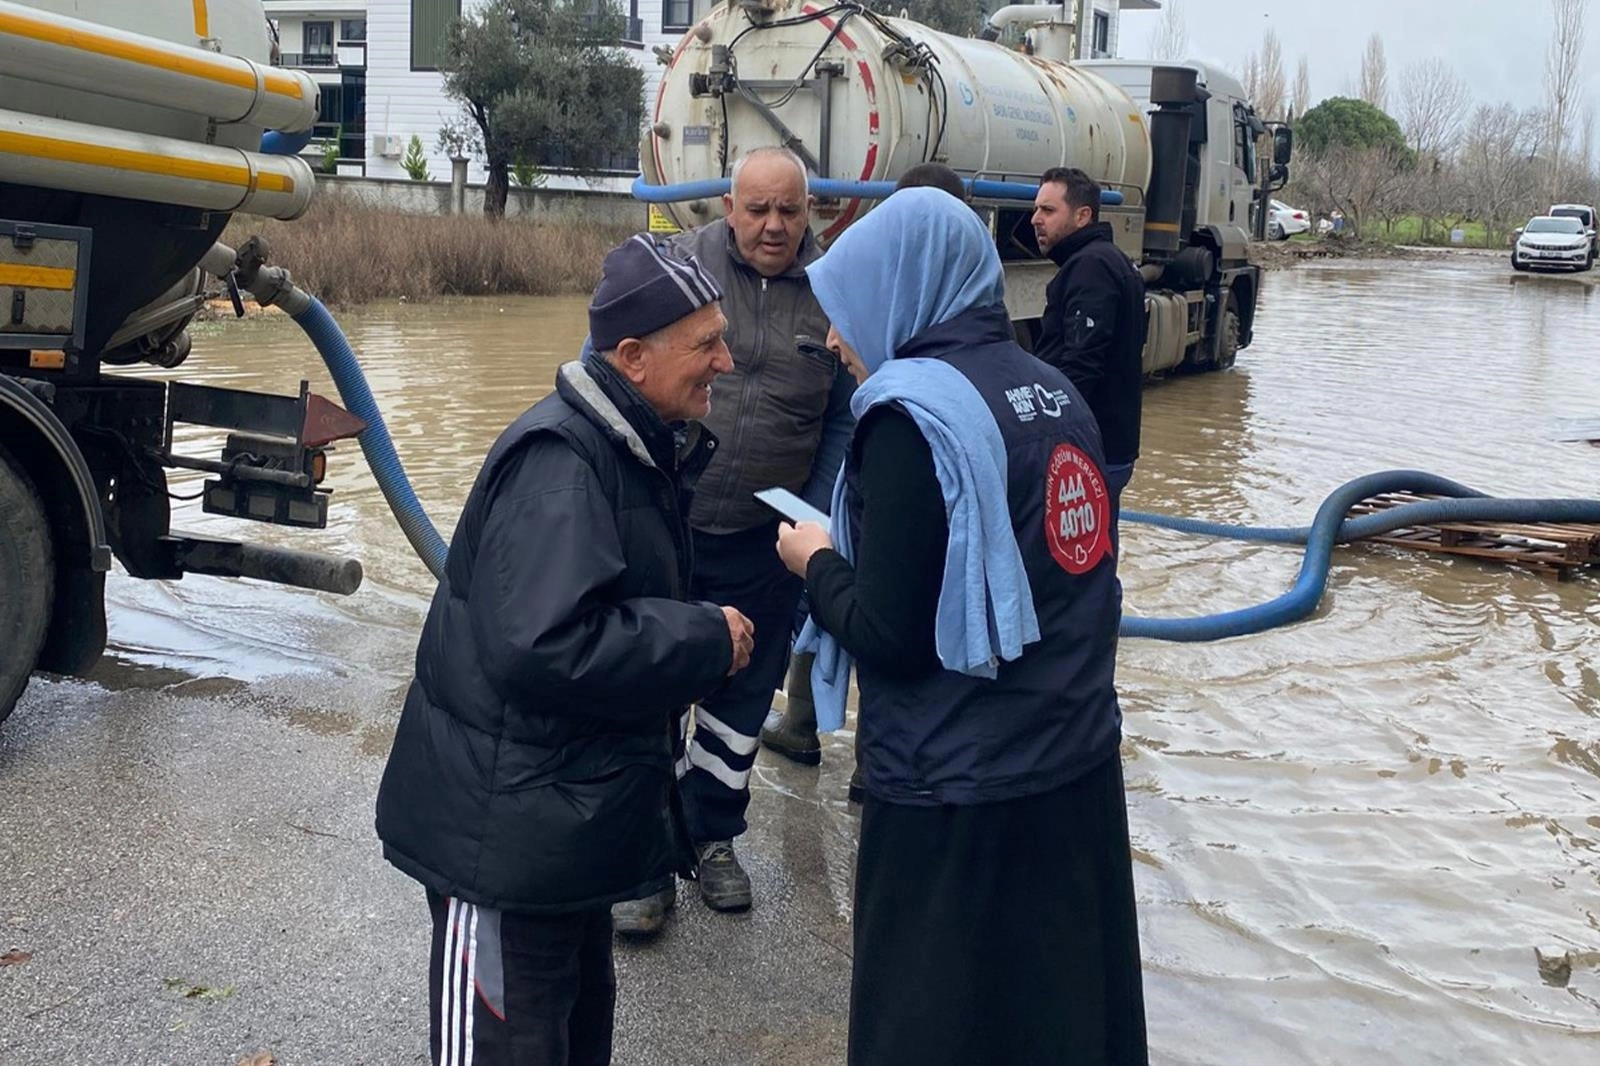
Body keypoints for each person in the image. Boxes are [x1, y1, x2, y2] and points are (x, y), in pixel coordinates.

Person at [775, 189, 1148, 1066]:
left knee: (939, 1023)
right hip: (1073, 769)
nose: (835, 338)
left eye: (848, 307)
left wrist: (816, 561)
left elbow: (891, 634)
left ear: (903, 292)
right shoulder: (1054, 392)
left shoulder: (911, 420)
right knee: (1052, 1017)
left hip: (954, 789)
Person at [374, 235, 754, 1066]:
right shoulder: (559, 463)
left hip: (562, 831)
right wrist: (703, 639)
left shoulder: (632, 445)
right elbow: (544, 646)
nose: (725, 362)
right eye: (706, 344)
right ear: (633, 357)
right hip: (502, 848)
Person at [612, 145, 854, 931]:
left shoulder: (836, 288)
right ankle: (643, 857)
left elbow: (845, 419)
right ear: (727, 207)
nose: (775, 226)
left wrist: (811, 518)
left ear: (812, 210)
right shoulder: (676, 268)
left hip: (767, 541)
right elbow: (613, 378)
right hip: (669, 527)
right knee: (647, 688)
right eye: (758, 209)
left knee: (741, 700)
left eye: (790, 209)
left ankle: (709, 836)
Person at [762, 160, 974, 800]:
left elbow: (888, 627)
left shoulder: (904, 409)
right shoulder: (976, 363)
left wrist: (822, 540)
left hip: (842, 506)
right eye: (759, 209)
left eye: (788, 210)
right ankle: (837, 740)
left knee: (855, 593)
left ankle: (855, 753)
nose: (834, 339)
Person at [1031, 166, 1147, 521]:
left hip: (1087, 451)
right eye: (1036, 209)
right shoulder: (1108, 260)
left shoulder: (1090, 268)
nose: (1035, 219)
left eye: (1048, 210)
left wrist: (1046, 441)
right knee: (1099, 547)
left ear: (1083, 216)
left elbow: (1080, 365)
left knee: (1078, 551)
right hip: (1109, 445)